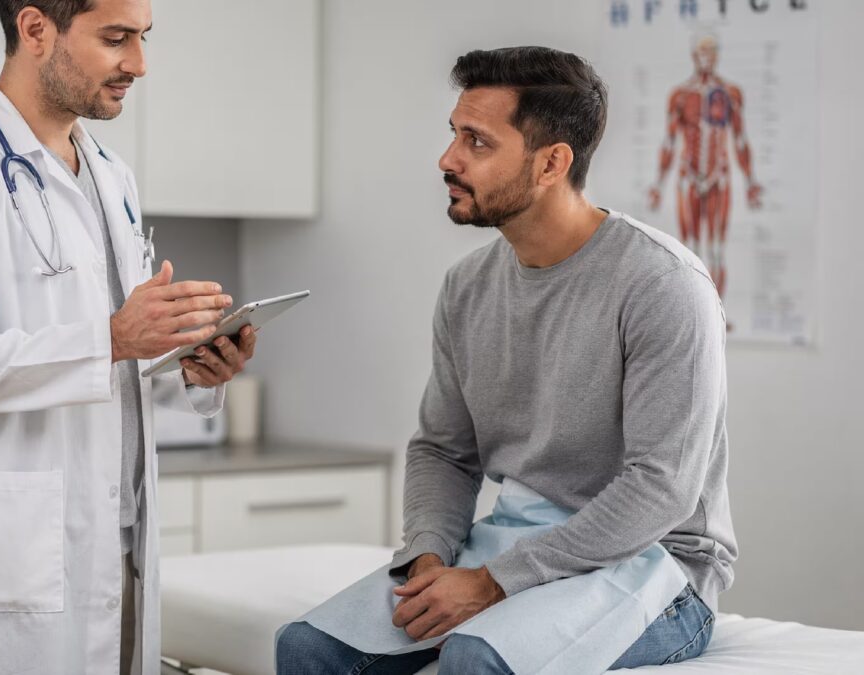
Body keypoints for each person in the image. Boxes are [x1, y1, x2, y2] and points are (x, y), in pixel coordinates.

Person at [276, 46, 737, 674]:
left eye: (477, 142)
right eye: (453, 135)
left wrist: (495, 582)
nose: (448, 159)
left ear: (551, 163)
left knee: (475, 659)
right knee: (306, 649)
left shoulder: (663, 284)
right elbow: (443, 449)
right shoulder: (467, 286)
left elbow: (662, 489)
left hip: (655, 565)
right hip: (513, 542)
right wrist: (431, 557)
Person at [0, 2, 255, 673]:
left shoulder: (111, 175)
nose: (138, 63)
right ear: (36, 29)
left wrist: (191, 365)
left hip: (114, 541)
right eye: (116, 38)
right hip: (1, 559)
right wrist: (110, 337)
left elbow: (118, 359)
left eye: (142, 38)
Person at [648, 30, 763, 297]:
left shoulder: (731, 93)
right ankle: (692, 310)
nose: (706, 57)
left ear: (717, 55)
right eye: (702, 51)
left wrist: (750, 181)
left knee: (716, 249)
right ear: (693, 56)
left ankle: (717, 317)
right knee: (689, 249)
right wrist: (658, 184)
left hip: (718, 175)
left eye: (711, 51)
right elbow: (669, 142)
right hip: (689, 174)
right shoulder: (679, 95)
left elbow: (740, 139)